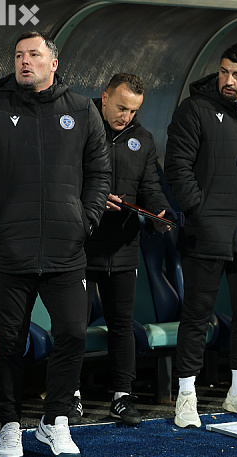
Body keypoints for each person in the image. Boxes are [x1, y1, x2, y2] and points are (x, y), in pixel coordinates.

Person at [0, 31, 110, 457]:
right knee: (8, 342)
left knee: (74, 335)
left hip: (66, 250)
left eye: (34, 55)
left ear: (53, 63)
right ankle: (9, 426)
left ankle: (54, 421)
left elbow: (100, 173)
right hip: (11, 251)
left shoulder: (81, 110)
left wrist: (86, 219)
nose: (26, 62)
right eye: (20, 56)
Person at [165, 43, 237, 427]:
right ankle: (186, 395)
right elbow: (177, 167)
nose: (228, 80)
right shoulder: (194, 109)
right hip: (207, 232)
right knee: (197, 314)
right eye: (223, 72)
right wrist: (200, 210)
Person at [67, 73, 172, 427]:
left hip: (124, 247)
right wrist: (94, 199)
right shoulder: (81, 128)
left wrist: (160, 213)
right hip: (81, 245)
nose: (125, 115)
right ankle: (71, 394)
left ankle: (122, 396)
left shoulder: (143, 139)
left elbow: (151, 187)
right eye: (121, 107)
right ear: (104, 97)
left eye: (133, 110)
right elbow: (64, 180)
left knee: (122, 325)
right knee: (74, 325)